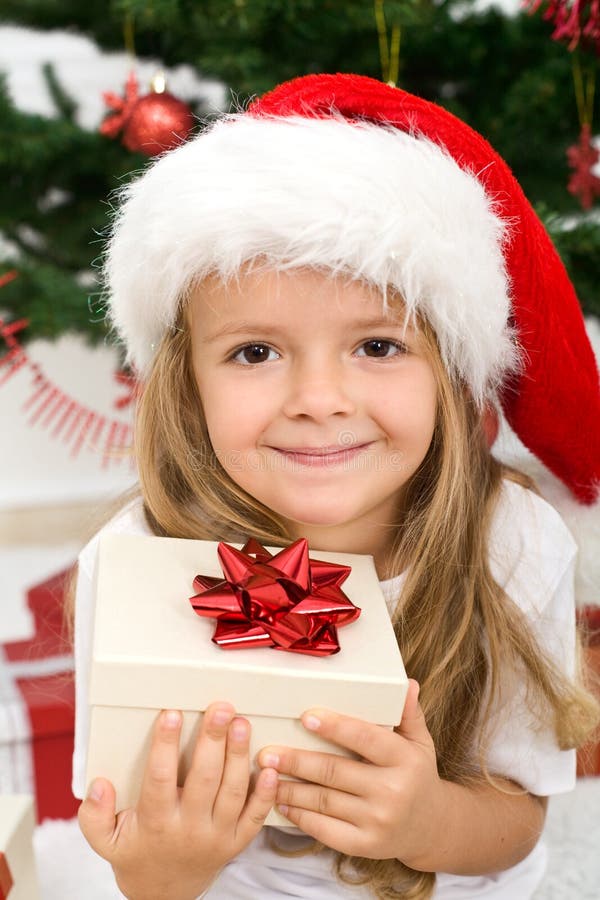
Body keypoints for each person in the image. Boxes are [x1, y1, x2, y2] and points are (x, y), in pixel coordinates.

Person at [73, 73, 600, 899]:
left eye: (378, 347)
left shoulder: (513, 542)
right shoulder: (137, 561)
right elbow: (131, 847)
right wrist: (168, 867)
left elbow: (517, 812)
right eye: (256, 352)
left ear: (450, 376)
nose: (319, 401)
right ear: (188, 386)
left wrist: (426, 822)